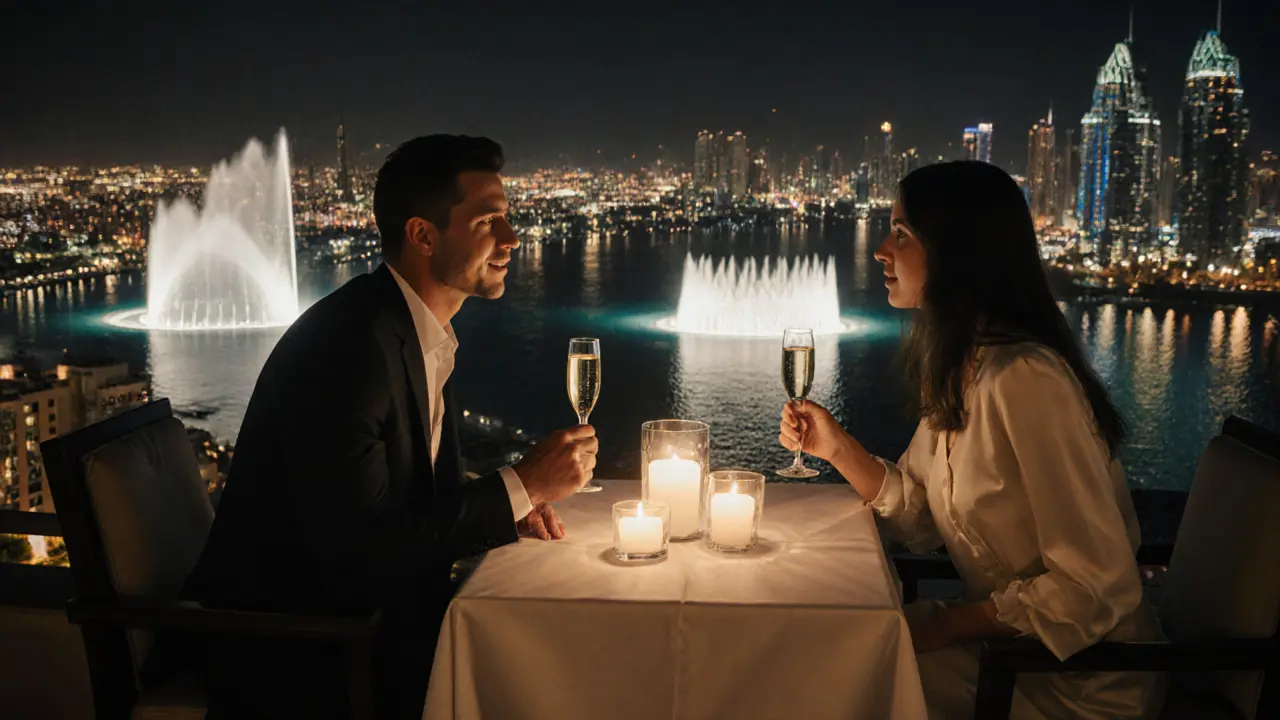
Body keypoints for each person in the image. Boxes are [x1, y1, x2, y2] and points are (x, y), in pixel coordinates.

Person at [182, 135, 597, 719]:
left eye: (507, 219)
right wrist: (521, 485)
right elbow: (361, 556)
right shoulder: (350, 347)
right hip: (296, 653)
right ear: (423, 235)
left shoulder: (414, 331)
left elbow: (412, 503)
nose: (510, 238)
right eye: (488, 221)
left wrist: (508, 511)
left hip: (362, 626)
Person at [779, 162, 1165, 719]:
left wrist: (942, 625)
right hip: (1006, 651)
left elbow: (1093, 585)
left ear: (956, 250)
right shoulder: (968, 366)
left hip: (1075, 681)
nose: (881, 251)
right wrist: (836, 447)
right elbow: (917, 512)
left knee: (833, 676)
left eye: (902, 233)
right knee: (828, 652)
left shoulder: (1025, 379)